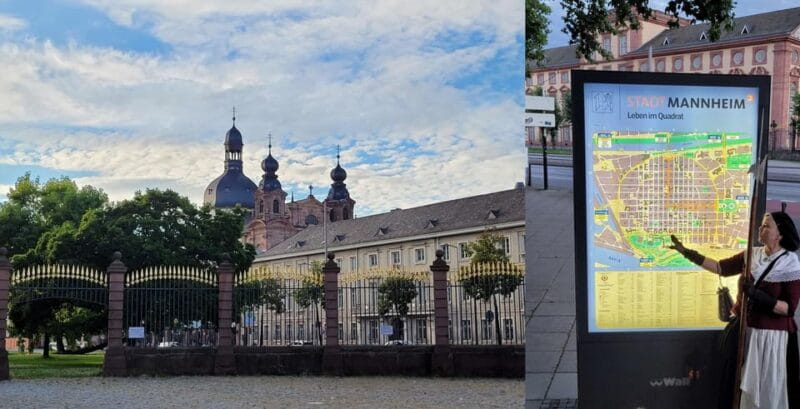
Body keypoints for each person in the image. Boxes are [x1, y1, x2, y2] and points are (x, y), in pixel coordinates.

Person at [670, 211, 800, 409]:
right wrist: (687, 253)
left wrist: (757, 295)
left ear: (779, 234)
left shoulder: (790, 263)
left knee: (768, 391)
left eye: (766, 226)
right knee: (736, 390)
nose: (760, 228)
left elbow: (789, 308)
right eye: (761, 224)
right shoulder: (752, 255)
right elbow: (720, 267)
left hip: (771, 341)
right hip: (745, 334)